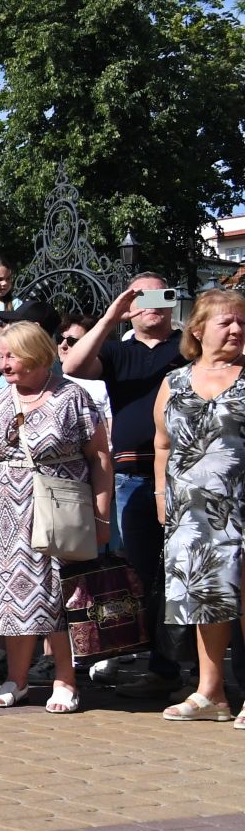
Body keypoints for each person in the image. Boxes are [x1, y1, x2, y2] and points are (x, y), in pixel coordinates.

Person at [0, 322, 111, 712]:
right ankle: (17, 679)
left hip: (58, 508)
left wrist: (101, 515)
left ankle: (65, 680)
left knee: (58, 593)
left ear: (35, 354)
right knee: (12, 594)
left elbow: (99, 457)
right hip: (6, 514)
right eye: (2, 355)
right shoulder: (0, 397)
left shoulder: (71, 396)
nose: (4, 363)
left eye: (12, 355)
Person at [62, 274, 188, 699]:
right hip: (132, 476)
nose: (151, 303)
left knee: (183, 570)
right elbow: (72, 366)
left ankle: (173, 665)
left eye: (159, 294)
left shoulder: (188, 347)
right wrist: (112, 316)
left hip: (184, 471)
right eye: (140, 296)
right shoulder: (117, 350)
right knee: (142, 572)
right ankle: (157, 663)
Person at [154, 289, 245, 723]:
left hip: (239, 503)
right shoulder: (173, 382)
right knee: (206, 596)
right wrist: (160, 495)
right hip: (190, 509)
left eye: (242, 322)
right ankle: (212, 694)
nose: (236, 329)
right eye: (226, 321)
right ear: (198, 328)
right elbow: (162, 442)